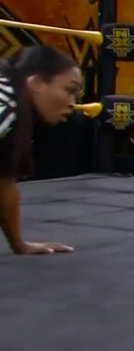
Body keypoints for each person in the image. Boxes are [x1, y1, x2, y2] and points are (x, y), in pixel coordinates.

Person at [0, 45, 80, 254]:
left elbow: (4, 184)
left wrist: (19, 245)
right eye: (69, 90)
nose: (73, 104)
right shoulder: (5, 103)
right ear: (37, 83)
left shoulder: (12, 105)